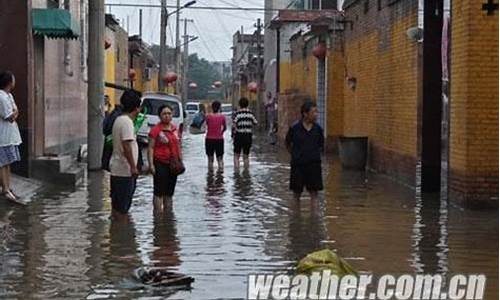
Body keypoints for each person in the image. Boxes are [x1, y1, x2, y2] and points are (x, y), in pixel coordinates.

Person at [109, 90, 142, 221]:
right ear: (137, 108)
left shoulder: (119, 120)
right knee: (122, 209)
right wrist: (133, 167)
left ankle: (115, 234)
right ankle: (122, 237)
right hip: (124, 171)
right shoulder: (127, 123)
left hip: (117, 169)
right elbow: (126, 146)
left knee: (116, 207)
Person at [285, 101, 324, 201]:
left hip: (313, 164)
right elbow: (288, 143)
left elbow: (321, 145)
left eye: (316, 112)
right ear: (305, 114)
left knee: (314, 194)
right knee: (296, 194)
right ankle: (295, 216)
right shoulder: (295, 128)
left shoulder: (318, 129)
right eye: (313, 112)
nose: (316, 114)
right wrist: (295, 155)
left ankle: (314, 216)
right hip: (298, 165)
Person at [148, 104, 182, 212]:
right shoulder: (155, 130)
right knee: (159, 192)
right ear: (159, 116)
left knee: (169, 192)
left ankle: (168, 216)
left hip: (173, 164)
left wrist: (180, 160)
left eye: (169, 113)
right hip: (160, 163)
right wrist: (151, 165)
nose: (167, 116)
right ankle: (157, 217)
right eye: (164, 114)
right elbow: (150, 148)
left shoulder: (175, 129)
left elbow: (178, 145)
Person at [0, 71, 22, 202]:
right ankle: (5, 189)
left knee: (7, 162)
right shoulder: (1, 97)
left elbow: (16, 112)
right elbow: (11, 117)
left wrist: (15, 112)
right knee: (2, 163)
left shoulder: (9, 95)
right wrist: (15, 112)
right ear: (9, 82)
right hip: (2, 136)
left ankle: (7, 187)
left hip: (9, 136)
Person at [232, 97, 258, 169]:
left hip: (239, 135)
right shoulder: (251, 114)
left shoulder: (237, 114)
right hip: (248, 136)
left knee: (236, 155)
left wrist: (233, 134)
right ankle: (246, 172)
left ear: (239, 105)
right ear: (247, 104)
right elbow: (255, 123)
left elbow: (234, 125)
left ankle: (236, 173)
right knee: (246, 156)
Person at [205, 101, 226, 171]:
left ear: (212, 108)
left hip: (209, 139)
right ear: (219, 107)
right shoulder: (222, 117)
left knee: (210, 159)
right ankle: (220, 176)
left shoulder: (208, 116)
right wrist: (221, 133)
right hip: (219, 139)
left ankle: (210, 176)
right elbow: (225, 127)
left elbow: (205, 126)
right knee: (220, 159)